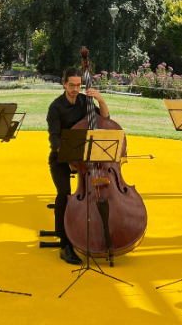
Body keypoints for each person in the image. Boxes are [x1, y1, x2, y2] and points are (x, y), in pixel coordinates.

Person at [46, 67, 109, 264]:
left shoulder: (85, 101)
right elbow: (54, 139)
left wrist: (100, 99)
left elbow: (105, 119)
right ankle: (65, 244)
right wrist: (70, 156)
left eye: (78, 85)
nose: (75, 89)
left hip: (87, 158)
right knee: (64, 193)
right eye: (71, 85)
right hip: (62, 158)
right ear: (63, 83)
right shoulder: (55, 107)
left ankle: (97, 233)